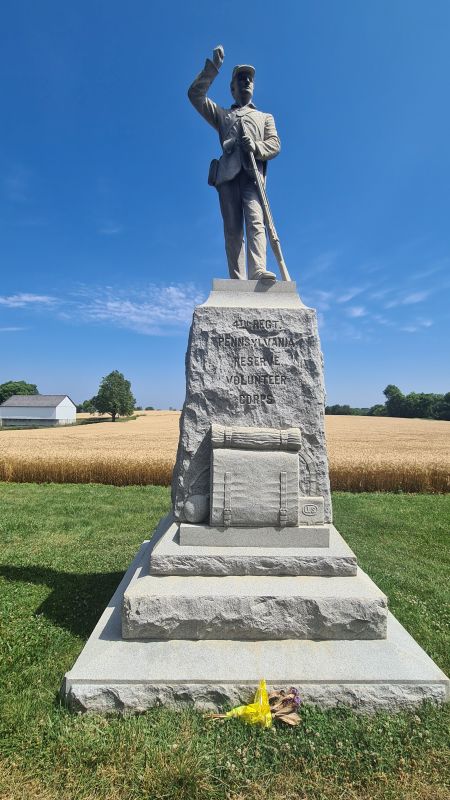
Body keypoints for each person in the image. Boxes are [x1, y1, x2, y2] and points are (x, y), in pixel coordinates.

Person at [188, 45, 281, 281]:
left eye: (249, 78)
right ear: (232, 88)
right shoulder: (222, 115)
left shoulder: (265, 117)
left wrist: (256, 147)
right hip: (227, 176)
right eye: (241, 78)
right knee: (232, 230)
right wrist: (212, 69)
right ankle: (238, 279)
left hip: (252, 177)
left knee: (256, 222)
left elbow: (275, 144)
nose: (246, 81)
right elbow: (195, 95)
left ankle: (258, 270)